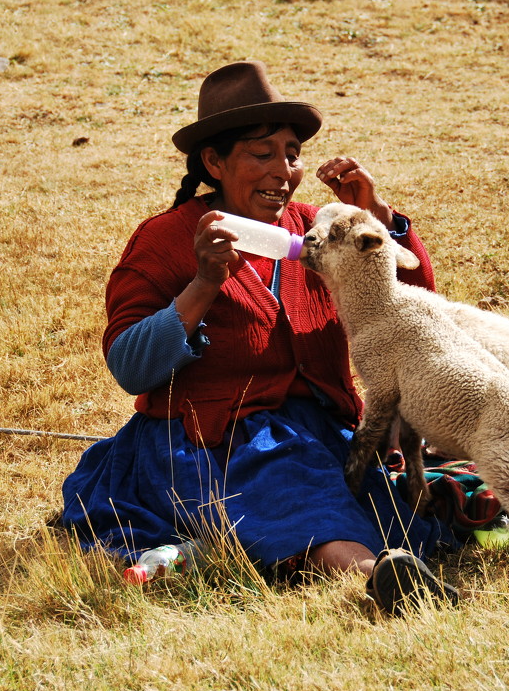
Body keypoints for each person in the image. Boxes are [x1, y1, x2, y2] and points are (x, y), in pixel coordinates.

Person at [60, 61, 458, 615]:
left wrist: (378, 218)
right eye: (262, 153)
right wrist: (203, 285)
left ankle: (379, 554)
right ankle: (378, 578)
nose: (284, 170)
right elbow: (130, 364)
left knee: (398, 503)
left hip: (321, 429)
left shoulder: (322, 229)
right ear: (214, 162)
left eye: (292, 153)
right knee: (292, 490)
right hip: (210, 441)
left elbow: (413, 314)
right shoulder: (167, 240)